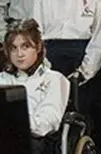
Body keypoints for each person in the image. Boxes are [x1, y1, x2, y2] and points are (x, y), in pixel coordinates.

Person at [31, 0, 101, 149]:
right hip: (51, 63)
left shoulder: (95, 1)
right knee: (52, 119)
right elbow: (37, 37)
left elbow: (99, 42)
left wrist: (84, 72)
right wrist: (47, 69)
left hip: (83, 67)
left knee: (84, 119)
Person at [0, 19, 69, 154]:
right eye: (14, 48)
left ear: (38, 47)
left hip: (36, 142)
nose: (19, 54)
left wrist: (16, 123)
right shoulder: (2, 79)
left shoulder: (54, 79)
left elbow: (46, 123)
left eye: (25, 46)